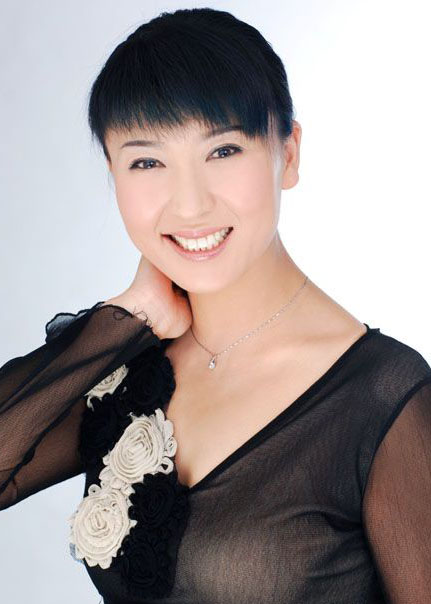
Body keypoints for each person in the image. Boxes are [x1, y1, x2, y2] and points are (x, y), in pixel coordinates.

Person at [1, 6, 430, 603]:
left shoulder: (384, 397)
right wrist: (127, 319)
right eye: (147, 162)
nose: (190, 205)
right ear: (113, 174)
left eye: (223, 151)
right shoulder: (126, 367)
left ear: (288, 154)